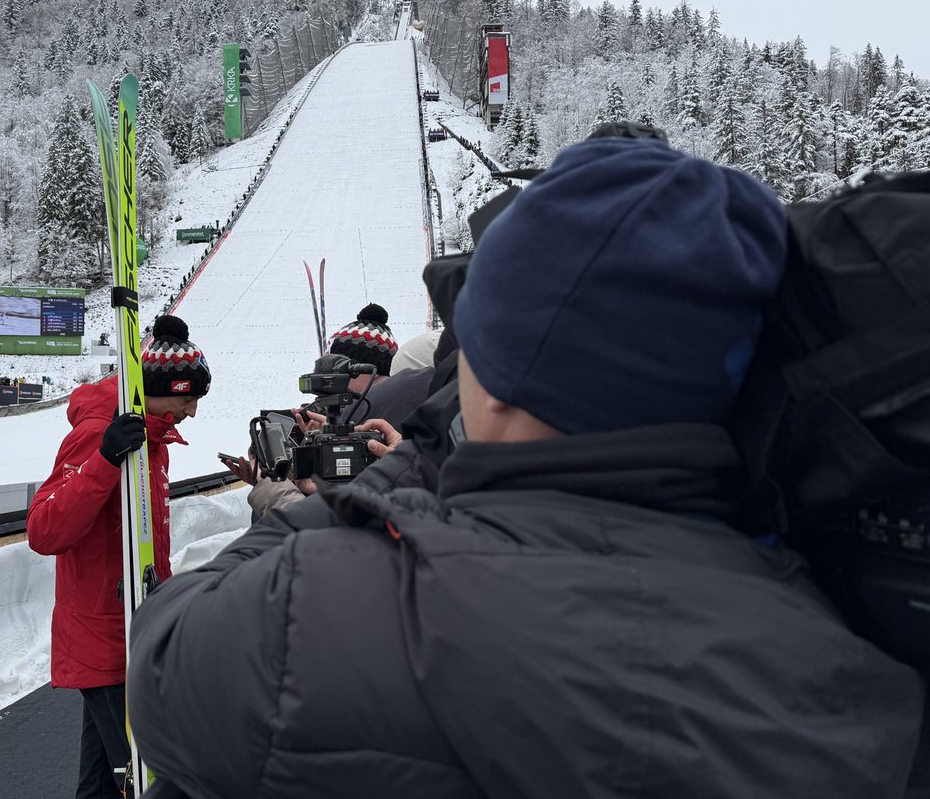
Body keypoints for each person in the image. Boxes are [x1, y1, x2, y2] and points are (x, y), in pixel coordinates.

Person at [125, 138, 922, 798]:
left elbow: (165, 662)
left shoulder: (333, 601)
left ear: (498, 382)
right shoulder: (838, 643)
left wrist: (389, 481)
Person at [27, 313, 211, 799]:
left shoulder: (152, 435)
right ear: (159, 388)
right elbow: (44, 529)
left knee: (106, 785)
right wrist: (104, 460)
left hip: (131, 631)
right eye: (186, 397)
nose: (191, 411)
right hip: (106, 636)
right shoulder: (100, 434)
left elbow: (145, 540)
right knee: (147, 778)